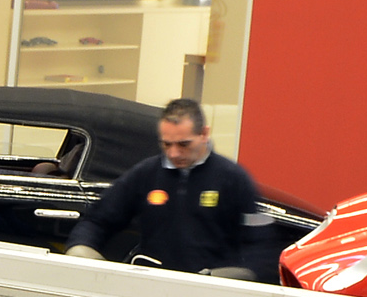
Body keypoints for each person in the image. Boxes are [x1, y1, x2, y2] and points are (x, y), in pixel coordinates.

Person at [54, 97, 282, 279]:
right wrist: (81, 248)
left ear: (204, 134)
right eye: (166, 144)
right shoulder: (146, 174)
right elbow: (98, 219)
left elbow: (260, 245)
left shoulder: (233, 179)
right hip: (156, 286)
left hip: (210, 290)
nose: (173, 153)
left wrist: (236, 276)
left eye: (183, 144)